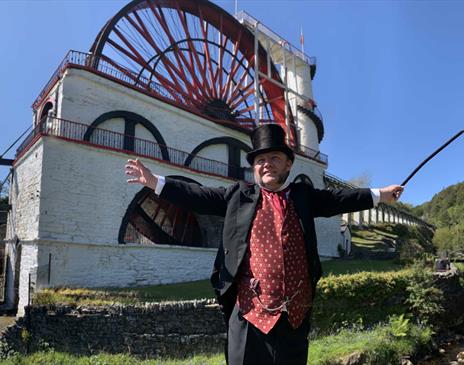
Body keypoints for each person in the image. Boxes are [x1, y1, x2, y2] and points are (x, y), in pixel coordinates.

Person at [125, 124, 404, 365]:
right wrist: (156, 183)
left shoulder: (304, 196)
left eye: (274, 157)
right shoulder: (238, 195)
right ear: (254, 168)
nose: (266, 163)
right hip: (250, 315)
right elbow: (198, 195)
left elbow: (341, 200)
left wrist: (380, 195)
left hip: (295, 314)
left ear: (288, 164)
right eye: (260, 160)